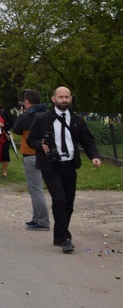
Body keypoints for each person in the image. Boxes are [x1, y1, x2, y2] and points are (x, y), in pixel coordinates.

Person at [27, 86, 101, 254]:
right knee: (59, 200)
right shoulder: (42, 119)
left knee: (68, 203)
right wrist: (41, 145)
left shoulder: (76, 120)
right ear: (54, 99)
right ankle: (65, 237)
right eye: (60, 97)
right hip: (51, 166)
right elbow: (31, 139)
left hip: (69, 165)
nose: (64, 100)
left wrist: (94, 156)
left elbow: (87, 140)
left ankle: (59, 236)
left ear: (71, 99)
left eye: (67, 97)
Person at [12, 90, 50, 231]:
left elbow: (16, 129)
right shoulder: (48, 114)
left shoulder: (25, 116)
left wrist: (22, 113)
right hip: (46, 154)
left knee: (36, 190)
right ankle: (37, 218)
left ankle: (43, 221)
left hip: (31, 154)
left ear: (27, 102)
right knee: (37, 188)